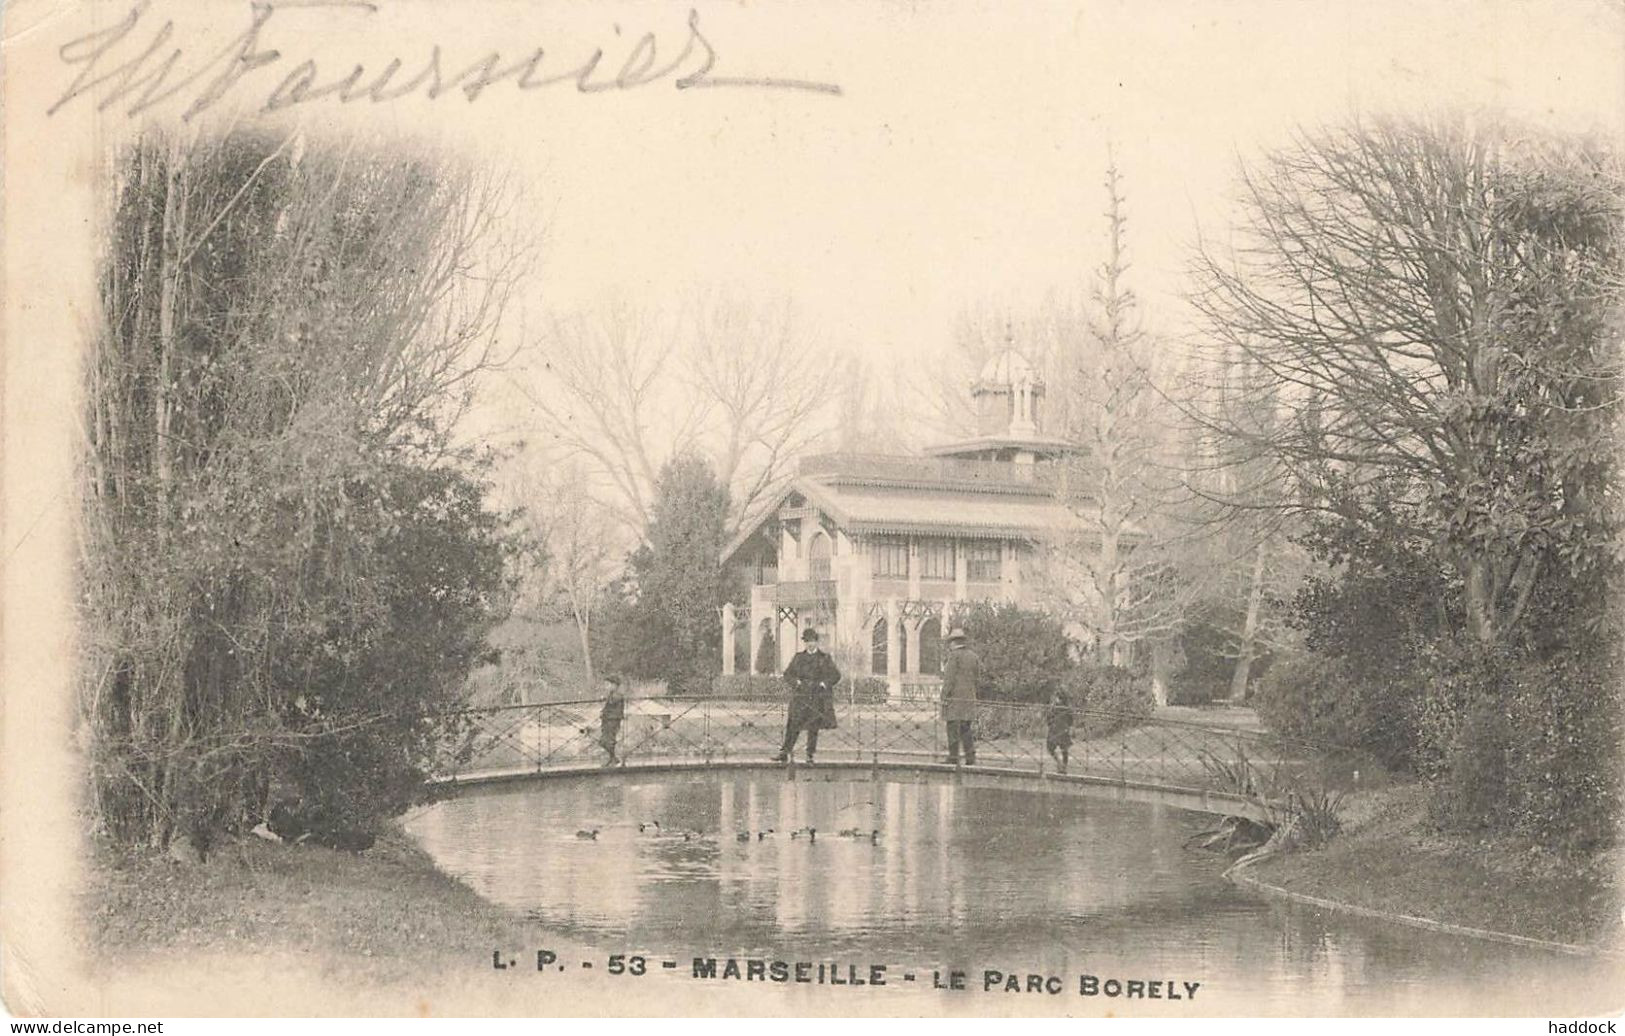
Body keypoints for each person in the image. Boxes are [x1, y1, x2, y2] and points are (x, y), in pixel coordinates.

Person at [774, 627, 841, 764]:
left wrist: (824, 684)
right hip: (800, 696)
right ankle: (785, 752)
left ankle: (810, 755)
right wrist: (796, 682)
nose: (810, 644)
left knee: (813, 727)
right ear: (804, 643)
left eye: (813, 641)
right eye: (808, 641)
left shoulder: (824, 658)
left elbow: (836, 675)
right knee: (793, 724)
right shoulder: (799, 657)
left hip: (816, 697)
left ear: (817, 642)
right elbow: (788, 674)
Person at [940, 626, 980, 765]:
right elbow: (977, 678)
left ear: (953, 642)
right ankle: (970, 757)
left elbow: (949, 679)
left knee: (952, 728)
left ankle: (953, 757)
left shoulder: (953, 656)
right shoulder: (974, 656)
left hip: (955, 700)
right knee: (966, 729)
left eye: (950, 642)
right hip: (969, 699)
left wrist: (944, 696)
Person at [598, 673, 626, 767]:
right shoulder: (611, 694)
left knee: (608, 740)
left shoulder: (617, 695)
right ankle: (613, 758)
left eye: (608, 684)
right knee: (603, 741)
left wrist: (605, 699)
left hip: (613, 720)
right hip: (607, 720)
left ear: (614, 685)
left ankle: (614, 759)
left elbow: (612, 702)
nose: (606, 687)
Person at [1044, 687, 1074, 773]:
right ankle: (1063, 766)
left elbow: (1048, 718)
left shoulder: (1054, 707)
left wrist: (1050, 724)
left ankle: (1059, 763)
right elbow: (1071, 720)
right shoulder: (1067, 708)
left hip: (1055, 730)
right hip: (1064, 730)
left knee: (1051, 748)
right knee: (1064, 750)